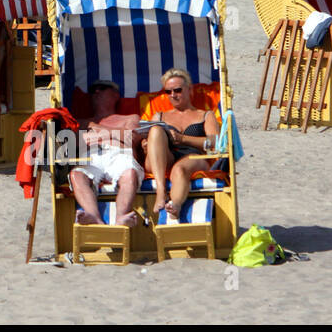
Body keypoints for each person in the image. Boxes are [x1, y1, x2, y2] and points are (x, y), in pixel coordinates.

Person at [142, 69, 220, 219]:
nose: (173, 95)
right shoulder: (159, 115)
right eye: (168, 91)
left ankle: (175, 205)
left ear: (189, 90)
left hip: (194, 157)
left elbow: (215, 143)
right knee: (156, 130)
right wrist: (146, 145)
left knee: (179, 169)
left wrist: (182, 139)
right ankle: (161, 191)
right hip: (164, 158)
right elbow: (147, 141)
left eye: (177, 90)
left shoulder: (204, 115)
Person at [68, 80, 143, 227]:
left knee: (130, 174)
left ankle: (121, 217)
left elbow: (131, 138)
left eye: (102, 89)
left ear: (115, 95)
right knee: (76, 175)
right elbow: (74, 142)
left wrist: (95, 130)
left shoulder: (130, 118)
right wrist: (115, 134)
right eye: (93, 90)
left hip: (120, 155)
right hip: (91, 156)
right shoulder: (82, 122)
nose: (96, 92)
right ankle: (93, 215)